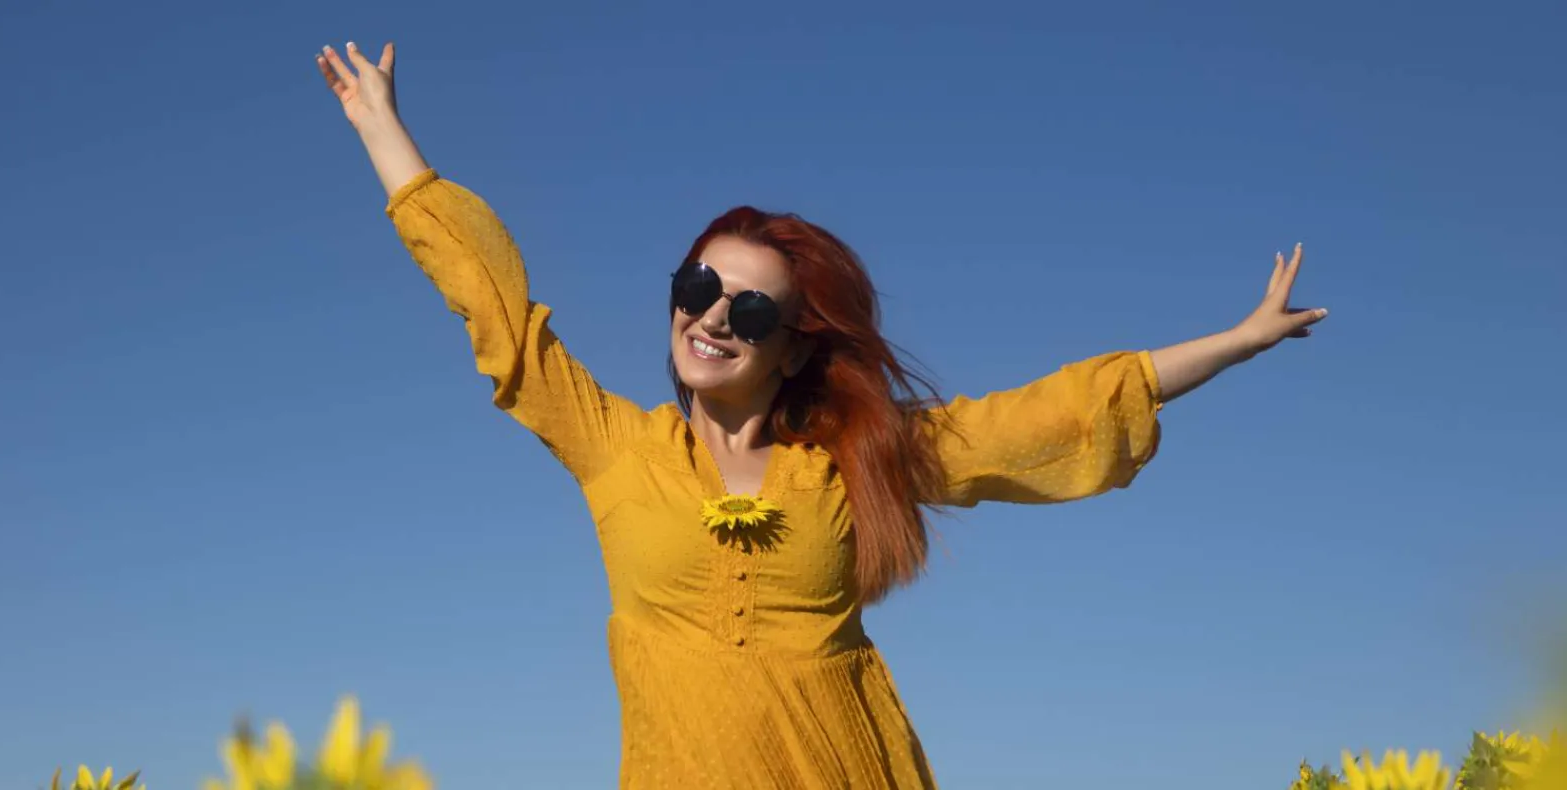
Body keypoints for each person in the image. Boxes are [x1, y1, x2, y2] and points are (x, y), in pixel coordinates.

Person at [313, 41, 1328, 789]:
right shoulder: (615, 446)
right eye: (697, 284)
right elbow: (496, 312)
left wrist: (1234, 341)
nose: (712, 314)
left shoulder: (856, 457)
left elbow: (1044, 418)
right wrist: (387, 139)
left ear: (794, 342)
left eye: (748, 306)